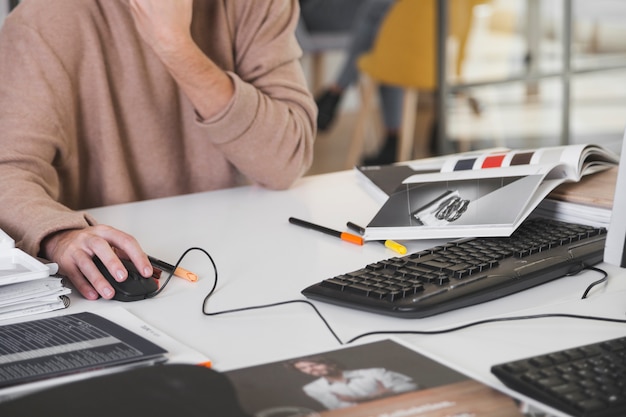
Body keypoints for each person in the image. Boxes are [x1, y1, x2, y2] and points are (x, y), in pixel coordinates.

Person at [0, 0, 316, 301]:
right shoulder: (43, 22)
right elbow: (7, 172)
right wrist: (61, 236)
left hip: (228, 270)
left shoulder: (254, 6)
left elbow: (285, 159)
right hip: (113, 302)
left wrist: (174, 45)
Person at [301, 0, 403, 165]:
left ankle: (336, 91)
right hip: (312, 10)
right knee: (386, 17)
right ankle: (395, 139)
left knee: (387, 25)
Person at [287, 356, 418, 410]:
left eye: (313, 364)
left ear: (329, 363)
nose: (310, 370)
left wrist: (363, 399)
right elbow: (340, 410)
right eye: (303, 368)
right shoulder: (312, 388)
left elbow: (412, 386)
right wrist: (379, 395)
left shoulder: (374, 372)